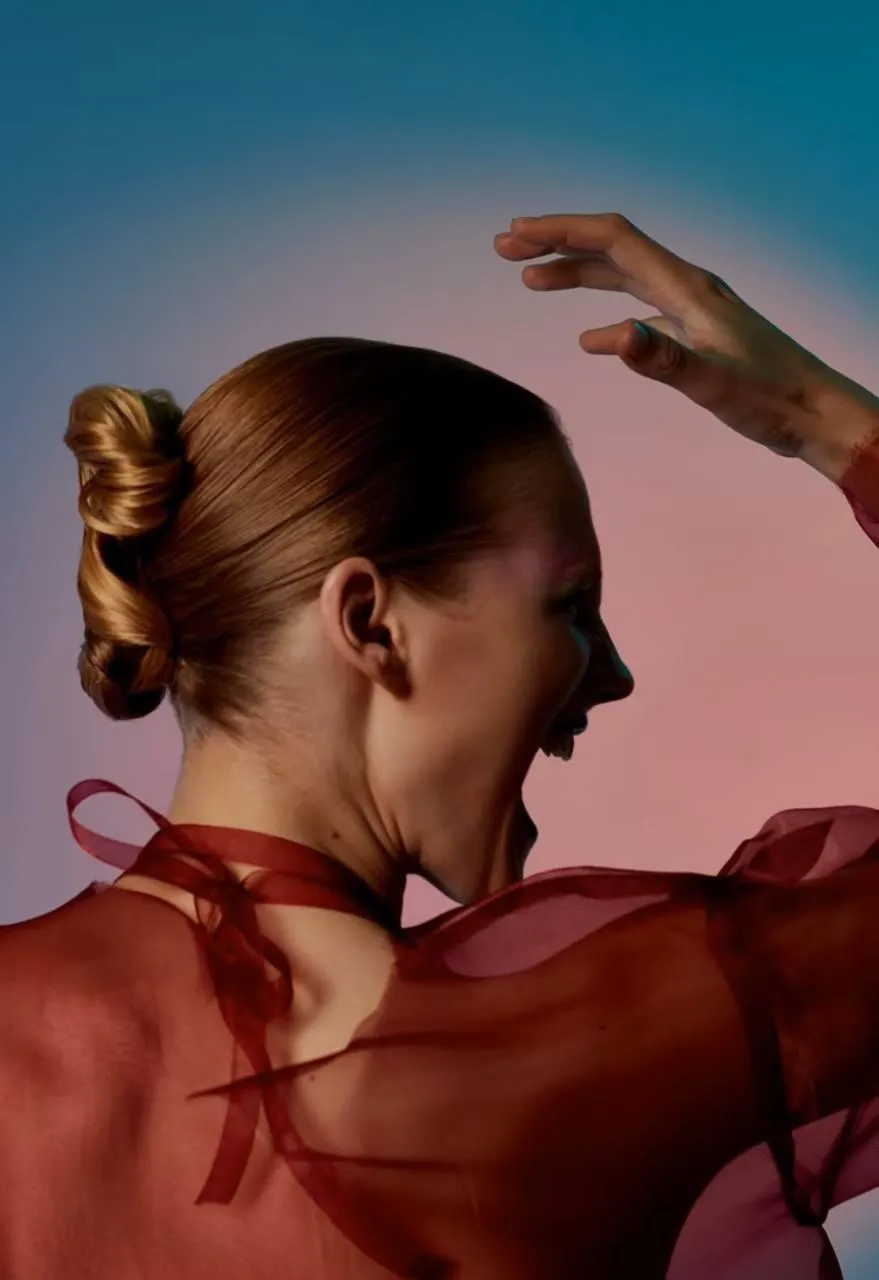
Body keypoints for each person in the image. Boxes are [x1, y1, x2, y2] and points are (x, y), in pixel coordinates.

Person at [1, 212, 878, 1280]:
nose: (612, 673)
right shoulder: (566, 1057)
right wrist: (825, 421)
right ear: (370, 621)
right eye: (571, 606)